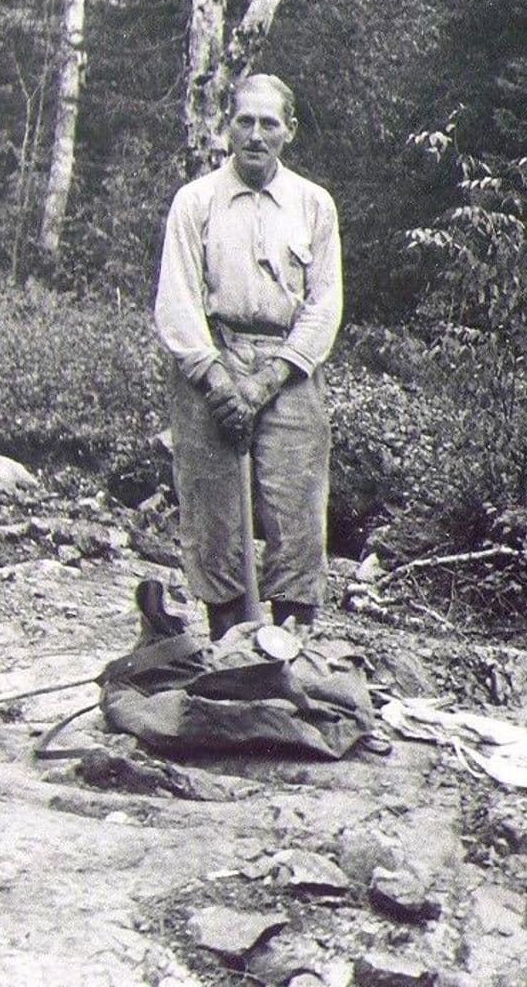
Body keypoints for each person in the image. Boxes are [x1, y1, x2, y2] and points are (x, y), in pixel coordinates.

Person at [154, 73, 342, 639]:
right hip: (210, 360)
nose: (255, 135)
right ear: (227, 126)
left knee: (298, 513)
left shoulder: (314, 205)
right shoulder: (196, 202)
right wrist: (218, 381)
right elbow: (177, 299)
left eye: (269, 123)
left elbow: (324, 303)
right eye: (245, 121)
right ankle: (228, 647)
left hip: (287, 369)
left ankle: (288, 651)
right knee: (213, 515)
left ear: (290, 130)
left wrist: (267, 382)